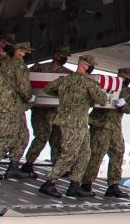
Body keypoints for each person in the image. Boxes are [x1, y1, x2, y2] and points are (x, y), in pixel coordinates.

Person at [39, 55, 107, 198]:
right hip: (75, 123)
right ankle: (49, 183)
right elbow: (102, 100)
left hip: (72, 122)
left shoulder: (64, 80)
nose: (92, 67)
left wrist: (63, 97)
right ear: (83, 64)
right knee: (70, 154)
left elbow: (48, 89)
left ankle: (74, 185)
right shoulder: (88, 83)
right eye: (91, 65)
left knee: (85, 153)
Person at [0, 41, 35, 180]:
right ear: (19, 51)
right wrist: (29, 97)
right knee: (8, 136)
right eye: (26, 52)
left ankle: (13, 167)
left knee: (22, 135)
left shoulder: (1, 64)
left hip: (8, 105)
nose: (28, 54)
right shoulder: (20, 66)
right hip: (12, 106)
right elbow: (23, 87)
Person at [82, 66, 130, 197]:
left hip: (115, 127)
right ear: (119, 75)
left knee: (118, 153)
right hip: (100, 125)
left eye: (129, 77)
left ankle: (113, 185)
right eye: (125, 76)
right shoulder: (107, 85)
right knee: (96, 154)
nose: (128, 79)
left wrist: (124, 105)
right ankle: (86, 184)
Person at [22, 46, 72, 174]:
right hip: (40, 109)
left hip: (56, 111)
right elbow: (24, 79)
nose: (64, 58)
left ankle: (57, 166)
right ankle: (29, 163)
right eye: (62, 55)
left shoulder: (67, 73)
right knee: (41, 136)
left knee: (57, 138)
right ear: (55, 55)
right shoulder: (39, 68)